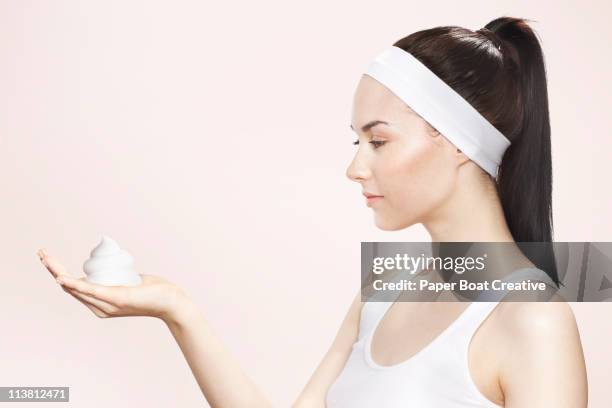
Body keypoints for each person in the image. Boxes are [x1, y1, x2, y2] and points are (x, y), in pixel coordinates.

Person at [37, 16, 587, 407]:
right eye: (356, 143)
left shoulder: (533, 321)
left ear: (460, 143)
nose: (355, 169)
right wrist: (177, 311)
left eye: (378, 141)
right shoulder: (386, 288)